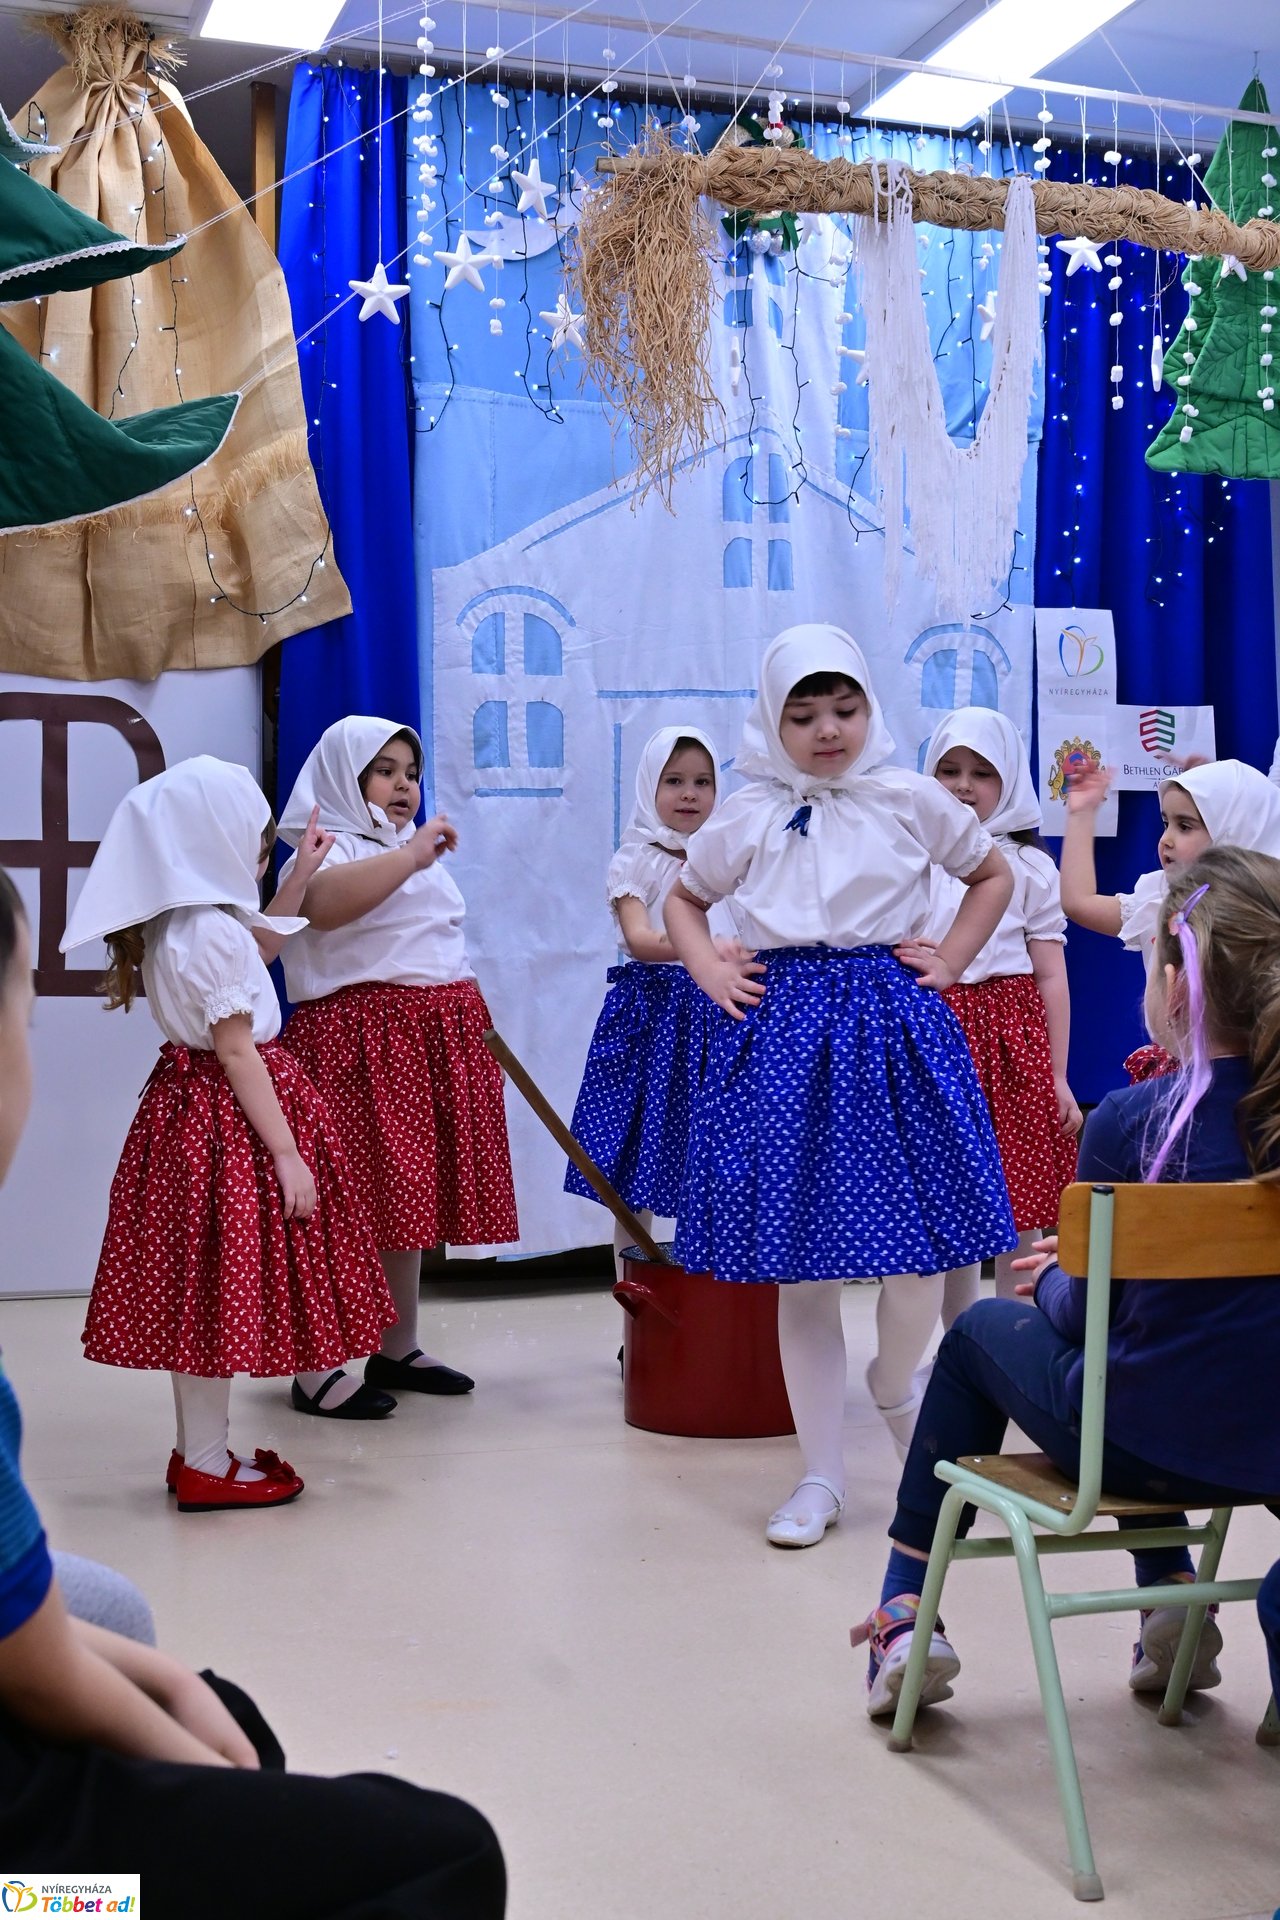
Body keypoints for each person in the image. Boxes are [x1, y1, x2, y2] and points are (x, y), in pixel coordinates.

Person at [0, 865, 507, 1915]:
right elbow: (38, 1668)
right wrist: (194, 1756)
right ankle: (90, 1907)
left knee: (158, 1644)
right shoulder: (208, 959)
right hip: (25, 1883)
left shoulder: (195, 935)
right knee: (442, 1849)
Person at [851, 844, 1280, 1718]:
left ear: (1173, 981)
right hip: (1270, 1451)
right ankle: (1165, 1591)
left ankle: (904, 1609)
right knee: (1175, 1353)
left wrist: (1051, 1283)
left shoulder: (1132, 1123)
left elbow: (1091, 1321)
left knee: (977, 1336)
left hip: (1137, 1446)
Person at [663, 624, 1017, 1546]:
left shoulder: (908, 797)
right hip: (783, 1037)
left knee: (922, 1254)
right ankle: (821, 1474)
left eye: (846, 708)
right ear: (772, 721)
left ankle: (895, 1384)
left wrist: (955, 960)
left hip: (892, 1027)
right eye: (805, 713)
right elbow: (683, 899)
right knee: (800, 1274)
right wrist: (706, 969)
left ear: (870, 708)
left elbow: (991, 871)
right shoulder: (746, 811)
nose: (829, 730)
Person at [60, 758, 394, 1511]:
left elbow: (257, 955)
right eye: (250, 838)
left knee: (205, 1294)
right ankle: (207, 1463)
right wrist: (285, 1152)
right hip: (230, 1127)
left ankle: (201, 1454)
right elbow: (238, 1049)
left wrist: (299, 878)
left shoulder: (191, 925)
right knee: (220, 1293)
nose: (258, 851)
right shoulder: (206, 932)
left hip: (196, 1120)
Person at [278, 718, 518, 1411]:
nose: (402, 785)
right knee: (336, 1204)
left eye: (410, 772)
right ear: (345, 779)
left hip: (422, 1039)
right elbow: (320, 909)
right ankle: (314, 1366)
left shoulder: (402, 850)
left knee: (405, 1197)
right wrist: (411, 857)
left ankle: (396, 1345)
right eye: (383, 771)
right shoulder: (324, 847)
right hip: (357, 1043)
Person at [564, 725, 740, 1276]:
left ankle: (712, 1308)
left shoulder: (729, 858)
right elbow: (640, 938)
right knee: (637, 1164)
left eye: (703, 782)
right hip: (654, 1019)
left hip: (718, 1015)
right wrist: (704, 951)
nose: (690, 794)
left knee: (714, 1162)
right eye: (674, 780)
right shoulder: (635, 859)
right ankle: (635, 1313)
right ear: (648, 786)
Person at [922, 708, 1081, 1314]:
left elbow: (1051, 975)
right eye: (949, 770)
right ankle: (961, 1341)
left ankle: (1017, 1334)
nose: (963, 785)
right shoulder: (912, 857)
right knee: (951, 1200)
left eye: (982, 773)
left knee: (1021, 1194)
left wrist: (1058, 1076)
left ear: (1010, 781)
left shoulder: (1030, 866)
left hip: (1010, 1041)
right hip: (936, 1035)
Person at [1059, 756, 1280, 1079]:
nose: (1166, 839)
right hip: (1179, 1076)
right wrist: (1081, 815)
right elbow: (1079, 903)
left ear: (1231, 828)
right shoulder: (1158, 898)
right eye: (1166, 823)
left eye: (1185, 826)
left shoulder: (1265, 909)